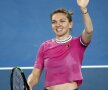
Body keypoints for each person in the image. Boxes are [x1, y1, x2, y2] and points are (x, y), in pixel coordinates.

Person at [27, 0, 93, 90]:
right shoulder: (44, 46)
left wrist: (83, 9)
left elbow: (89, 31)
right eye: (54, 22)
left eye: (62, 21)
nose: (58, 24)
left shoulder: (78, 42)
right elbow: (35, 75)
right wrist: (29, 84)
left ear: (70, 24)